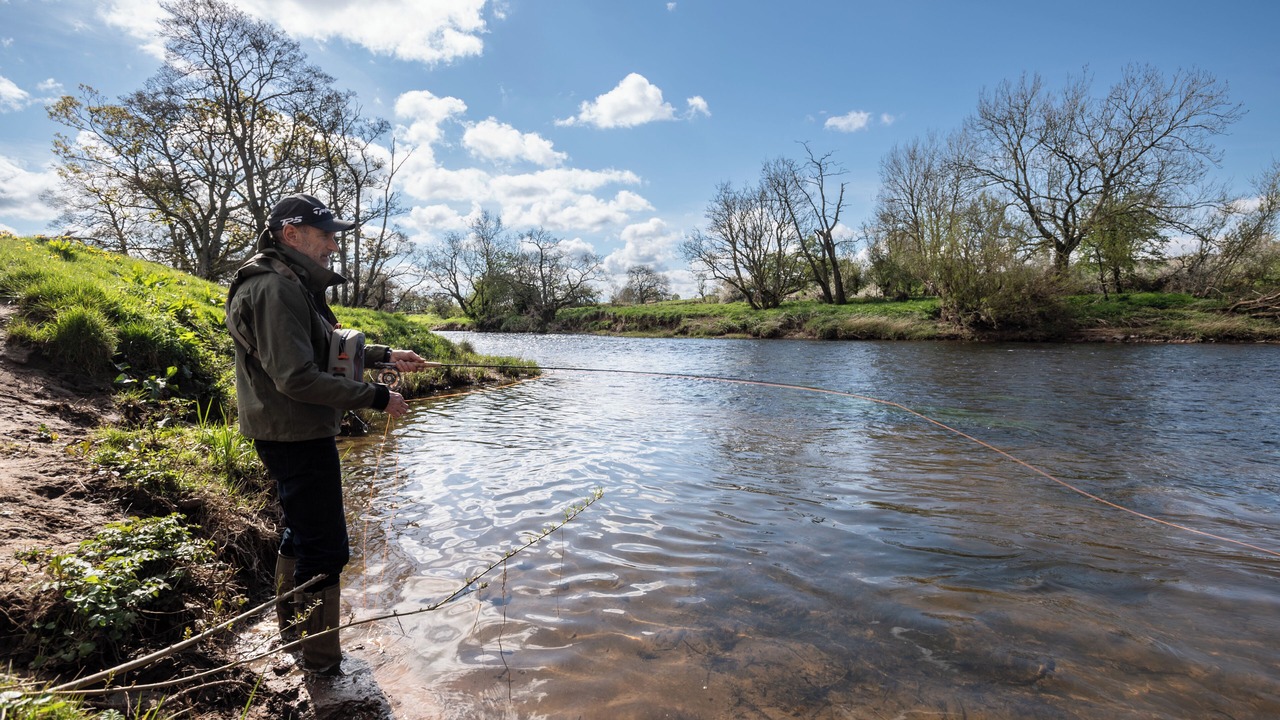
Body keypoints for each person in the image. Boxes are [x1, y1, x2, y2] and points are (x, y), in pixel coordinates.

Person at [224, 193, 432, 675]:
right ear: (290, 234)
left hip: (293, 428)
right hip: (292, 432)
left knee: (301, 532)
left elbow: (323, 347)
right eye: (326, 235)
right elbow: (296, 378)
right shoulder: (275, 288)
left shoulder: (290, 281)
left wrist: (384, 356)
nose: (334, 245)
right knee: (326, 550)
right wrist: (376, 397)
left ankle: (291, 636)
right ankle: (321, 665)